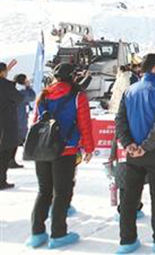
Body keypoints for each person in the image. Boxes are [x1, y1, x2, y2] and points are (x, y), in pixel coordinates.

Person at [25, 63, 95, 249]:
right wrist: (89, 148)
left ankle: (37, 233)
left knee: (44, 191)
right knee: (62, 193)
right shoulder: (78, 96)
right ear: (73, 77)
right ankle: (58, 234)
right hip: (66, 150)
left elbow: (36, 123)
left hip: (43, 149)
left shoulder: (44, 95)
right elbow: (84, 124)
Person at [115, 53, 155, 254]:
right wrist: (146, 146)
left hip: (134, 154)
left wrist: (129, 144)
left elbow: (120, 122)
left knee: (130, 197)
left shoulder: (129, 91)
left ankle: (127, 240)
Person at [0, 62, 22, 188]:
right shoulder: (6, 85)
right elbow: (18, 98)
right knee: (4, 154)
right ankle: (1, 181)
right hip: (5, 123)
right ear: (3, 72)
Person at [12, 74, 35, 169]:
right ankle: (11, 159)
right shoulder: (23, 92)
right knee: (16, 140)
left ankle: (11, 159)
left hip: (16, 117)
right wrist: (29, 87)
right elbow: (32, 96)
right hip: (19, 119)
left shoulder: (14, 89)